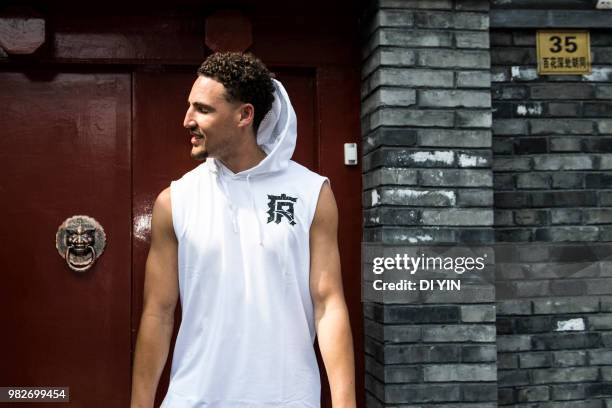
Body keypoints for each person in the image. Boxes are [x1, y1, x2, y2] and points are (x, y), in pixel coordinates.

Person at [130, 52, 356, 408]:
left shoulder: (311, 193)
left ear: (244, 115)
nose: (186, 119)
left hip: (287, 399)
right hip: (194, 399)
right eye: (190, 106)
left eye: (203, 109)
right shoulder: (175, 200)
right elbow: (157, 313)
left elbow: (328, 305)